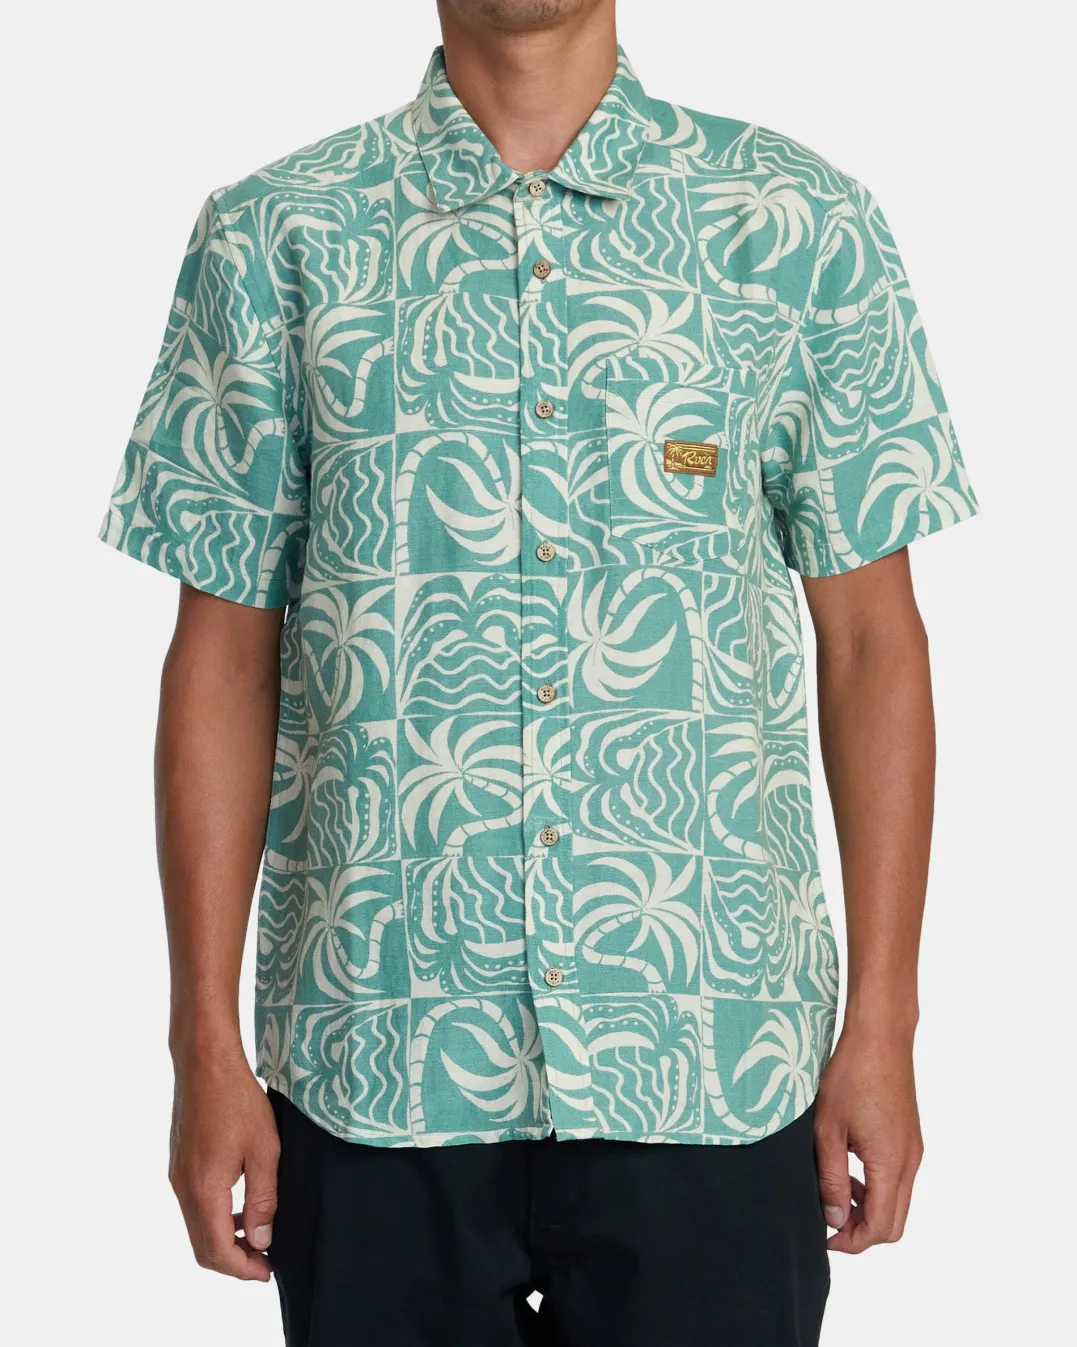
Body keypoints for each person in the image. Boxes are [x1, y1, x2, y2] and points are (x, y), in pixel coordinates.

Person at [99, 1, 978, 1343]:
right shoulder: (275, 237)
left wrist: (885, 1027)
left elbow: (872, 645)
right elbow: (220, 662)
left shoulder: (797, 228)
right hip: (373, 1057)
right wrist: (202, 1047)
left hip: (712, 1056)